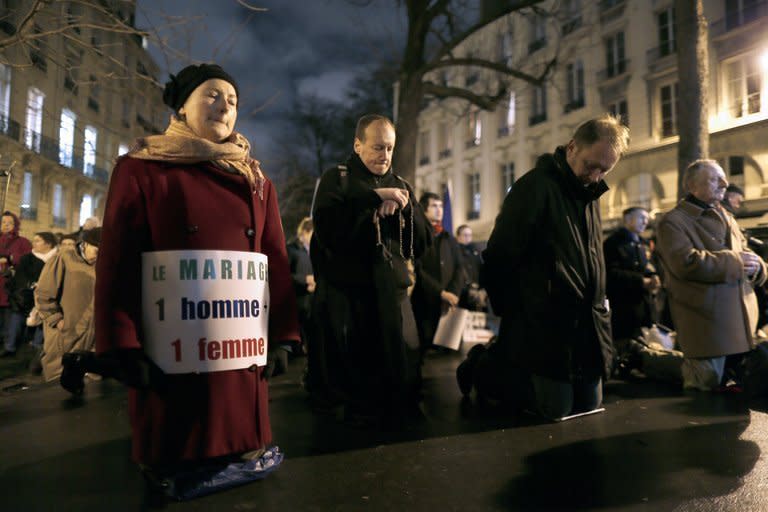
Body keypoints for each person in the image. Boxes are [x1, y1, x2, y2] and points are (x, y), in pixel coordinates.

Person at [85, 64, 299, 497]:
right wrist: (122, 346)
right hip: (173, 366)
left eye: (233, 101)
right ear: (182, 105)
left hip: (240, 371)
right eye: (213, 95)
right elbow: (118, 263)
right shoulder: (142, 168)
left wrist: (283, 337)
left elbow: (275, 264)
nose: (225, 106)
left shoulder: (257, 182)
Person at [462, 114, 629, 420]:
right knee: (555, 408)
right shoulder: (534, 187)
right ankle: (484, 365)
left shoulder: (590, 194)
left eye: (604, 170)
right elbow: (500, 253)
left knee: (589, 404)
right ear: (572, 148)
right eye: (591, 165)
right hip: (545, 319)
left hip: (586, 320)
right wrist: (511, 307)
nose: (595, 175)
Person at [310, 114, 431, 425]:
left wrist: (405, 209)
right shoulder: (336, 179)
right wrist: (372, 199)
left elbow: (424, 241)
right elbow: (327, 231)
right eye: (378, 147)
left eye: (390, 148)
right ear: (357, 144)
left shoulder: (401, 184)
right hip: (351, 295)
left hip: (394, 292)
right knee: (357, 376)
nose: (385, 156)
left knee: (404, 363)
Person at [656, 159, 766, 391]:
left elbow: (744, 252)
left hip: (741, 324)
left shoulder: (727, 216)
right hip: (707, 324)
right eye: (716, 179)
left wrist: (758, 266)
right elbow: (685, 262)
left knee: (734, 399)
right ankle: (643, 359)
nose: (725, 183)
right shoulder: (673, 221)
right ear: (692, 186)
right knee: (705, 389)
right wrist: (736, 262)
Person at [36, 228, 98, 381]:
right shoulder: (64, 258)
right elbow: (43, 294)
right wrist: (57, 320)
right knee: (59, 383)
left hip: (92, 337)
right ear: (85, 244)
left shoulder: (104, 264)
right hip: (65, 334)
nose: (99, 256)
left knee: (88, 390)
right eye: (97, 251)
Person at [411, 192, 465, 352]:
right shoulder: (417, 236)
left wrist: (453, 293)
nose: (439, 210)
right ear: (424, 210)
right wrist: (441, 293)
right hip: (425, 306)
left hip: (448, 307)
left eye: (441, 206)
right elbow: (416, 269)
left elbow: (459, 268)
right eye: (434, 206)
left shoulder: (449, 238)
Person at [4, 232, 58, 374]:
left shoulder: (56, 258)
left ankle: (36, 349)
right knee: (17, 320)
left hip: (47, 297)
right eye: (34, 240)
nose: (34, 243)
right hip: (26, 296)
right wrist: (31, 285)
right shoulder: (27, 258)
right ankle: (10, 347)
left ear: (48, 243)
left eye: (38, 241)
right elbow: (21, 277)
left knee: (43, 322)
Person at [603, 207, 660, 341]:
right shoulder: (613, 243)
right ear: (628, 219)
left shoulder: (643, 243)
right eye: (641, 218)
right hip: (625, 310)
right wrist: (641, 281)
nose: (645, 222)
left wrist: (654, 277)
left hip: (646, 309)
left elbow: (649, 266)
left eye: (647, 219)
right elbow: (610, 274)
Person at [0, 211, 32, 357]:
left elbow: (27, 260)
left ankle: (9, 345)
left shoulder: (22, 241)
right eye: (3, 222)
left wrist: (11, 258)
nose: (6, 225)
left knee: (9, 316)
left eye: (9, 222)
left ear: (15, 225)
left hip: (10, 286)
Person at [287, 217, 314, 353]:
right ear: (305, 231)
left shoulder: (313, 250)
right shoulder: (291, 249)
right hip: (297, 301)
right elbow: (284, 275)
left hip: (312, 299)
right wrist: (304, 279)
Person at [455, 224, 487, 311]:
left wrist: (483, 290)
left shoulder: (476, 251)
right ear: (458, 236)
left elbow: (482, 270)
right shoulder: (454, 252)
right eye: (465, 235)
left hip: (479, 291)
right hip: (464, 294)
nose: (468, 238)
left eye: (470, 235)